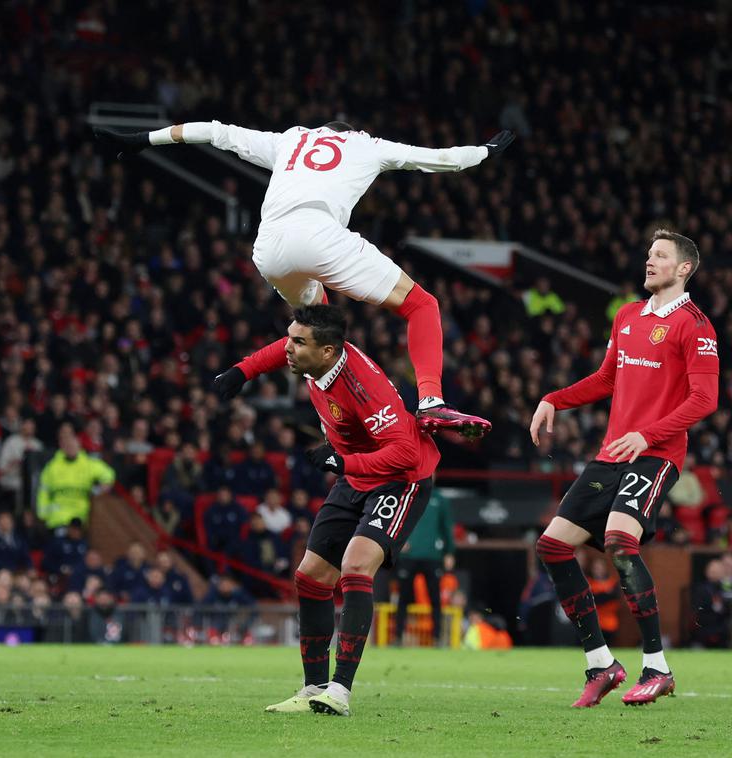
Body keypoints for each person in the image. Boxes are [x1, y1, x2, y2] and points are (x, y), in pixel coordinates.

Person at [97, 120, 515, 438]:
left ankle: (322, 421)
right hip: (320, 234)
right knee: (422, 305)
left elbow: (215, 131)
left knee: (316, 330)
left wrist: (142, 140)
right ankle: (430, 401)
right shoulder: (366, 145)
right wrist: (484, 152)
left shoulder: (289, 140)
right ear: (351, 133)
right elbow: (439, 158)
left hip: (269, 246)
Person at [215, 304, 438, 716]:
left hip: (401, 479)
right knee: (311, 575)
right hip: (355, 475)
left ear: (328, 352)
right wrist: (243, 371)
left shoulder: (363, 386)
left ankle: (340, 691)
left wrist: (344, 462)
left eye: (299, 342)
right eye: (291, 336)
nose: (289, 347)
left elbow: (405, 453)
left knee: (355, 566)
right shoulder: (317, 361)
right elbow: (278, 351)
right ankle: (312, 687)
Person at [529, 229, 718, 707]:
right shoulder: (629, 316)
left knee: (619, 541)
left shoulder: (695, 326)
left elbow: (705, 399)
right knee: (552, 546)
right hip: (611, 454)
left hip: (655, 456)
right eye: (649, 253)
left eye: (661, 256)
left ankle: (657, 666)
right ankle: (601, 663)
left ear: (684, 269)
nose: (649, 261)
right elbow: (606, 379)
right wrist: (554, 398)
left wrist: (648, 435)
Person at [393, 486, 455, 646]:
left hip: (432, 556)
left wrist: (449, 551)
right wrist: (398, 542)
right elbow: (395, 519)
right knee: (403, 598)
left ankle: (437, 638)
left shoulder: (440, 499)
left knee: (435, 598)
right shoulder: (406, 495)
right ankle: (398, 637)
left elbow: (446, 526)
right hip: (409, 555)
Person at [35, 427, 116, 530]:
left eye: (74, 446)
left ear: (79, 447)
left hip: (81, 516)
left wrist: (101, 487)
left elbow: (108, 473)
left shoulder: (87, 464)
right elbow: (43, 491)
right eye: (68, 446)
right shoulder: (52, 467)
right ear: (63, 447)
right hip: (58, 517)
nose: (71, 449)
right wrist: (42, 515)